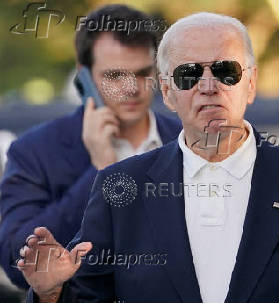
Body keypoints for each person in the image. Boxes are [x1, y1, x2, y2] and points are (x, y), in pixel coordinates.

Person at [19, 12, 279, 303]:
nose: (208, 86)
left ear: (251, 83)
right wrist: (50, 292)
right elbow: (87, 297)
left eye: (226, 71)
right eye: (189, 74)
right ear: (167, 92)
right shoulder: (123, 186)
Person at [0, 4, 181, 289]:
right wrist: (100, 171)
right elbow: (15, 261)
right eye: (115, 76)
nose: (132, 87)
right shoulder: (35, 151)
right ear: (84, 77)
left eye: (143, 72)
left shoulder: (188, 139)